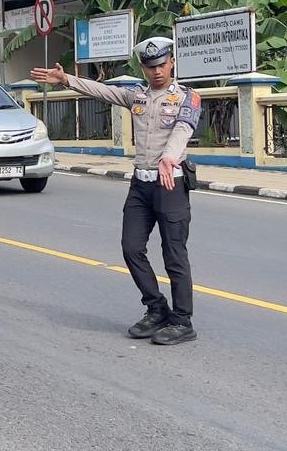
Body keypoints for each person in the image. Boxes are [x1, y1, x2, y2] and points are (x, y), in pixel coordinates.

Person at [30, 37, 201, 346]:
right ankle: (156, 308)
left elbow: (183, 130)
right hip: (141, 184)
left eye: (162, 65)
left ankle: (182, 320)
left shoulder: (188, 98)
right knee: (131, 247)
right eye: (150, 67)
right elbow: (103, 90)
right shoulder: (136, 95)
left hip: (171, 183)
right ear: (143, 68)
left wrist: (169, 156)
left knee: (174, 254)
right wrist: (66, 79)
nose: (157, 72)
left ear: (172, 62)